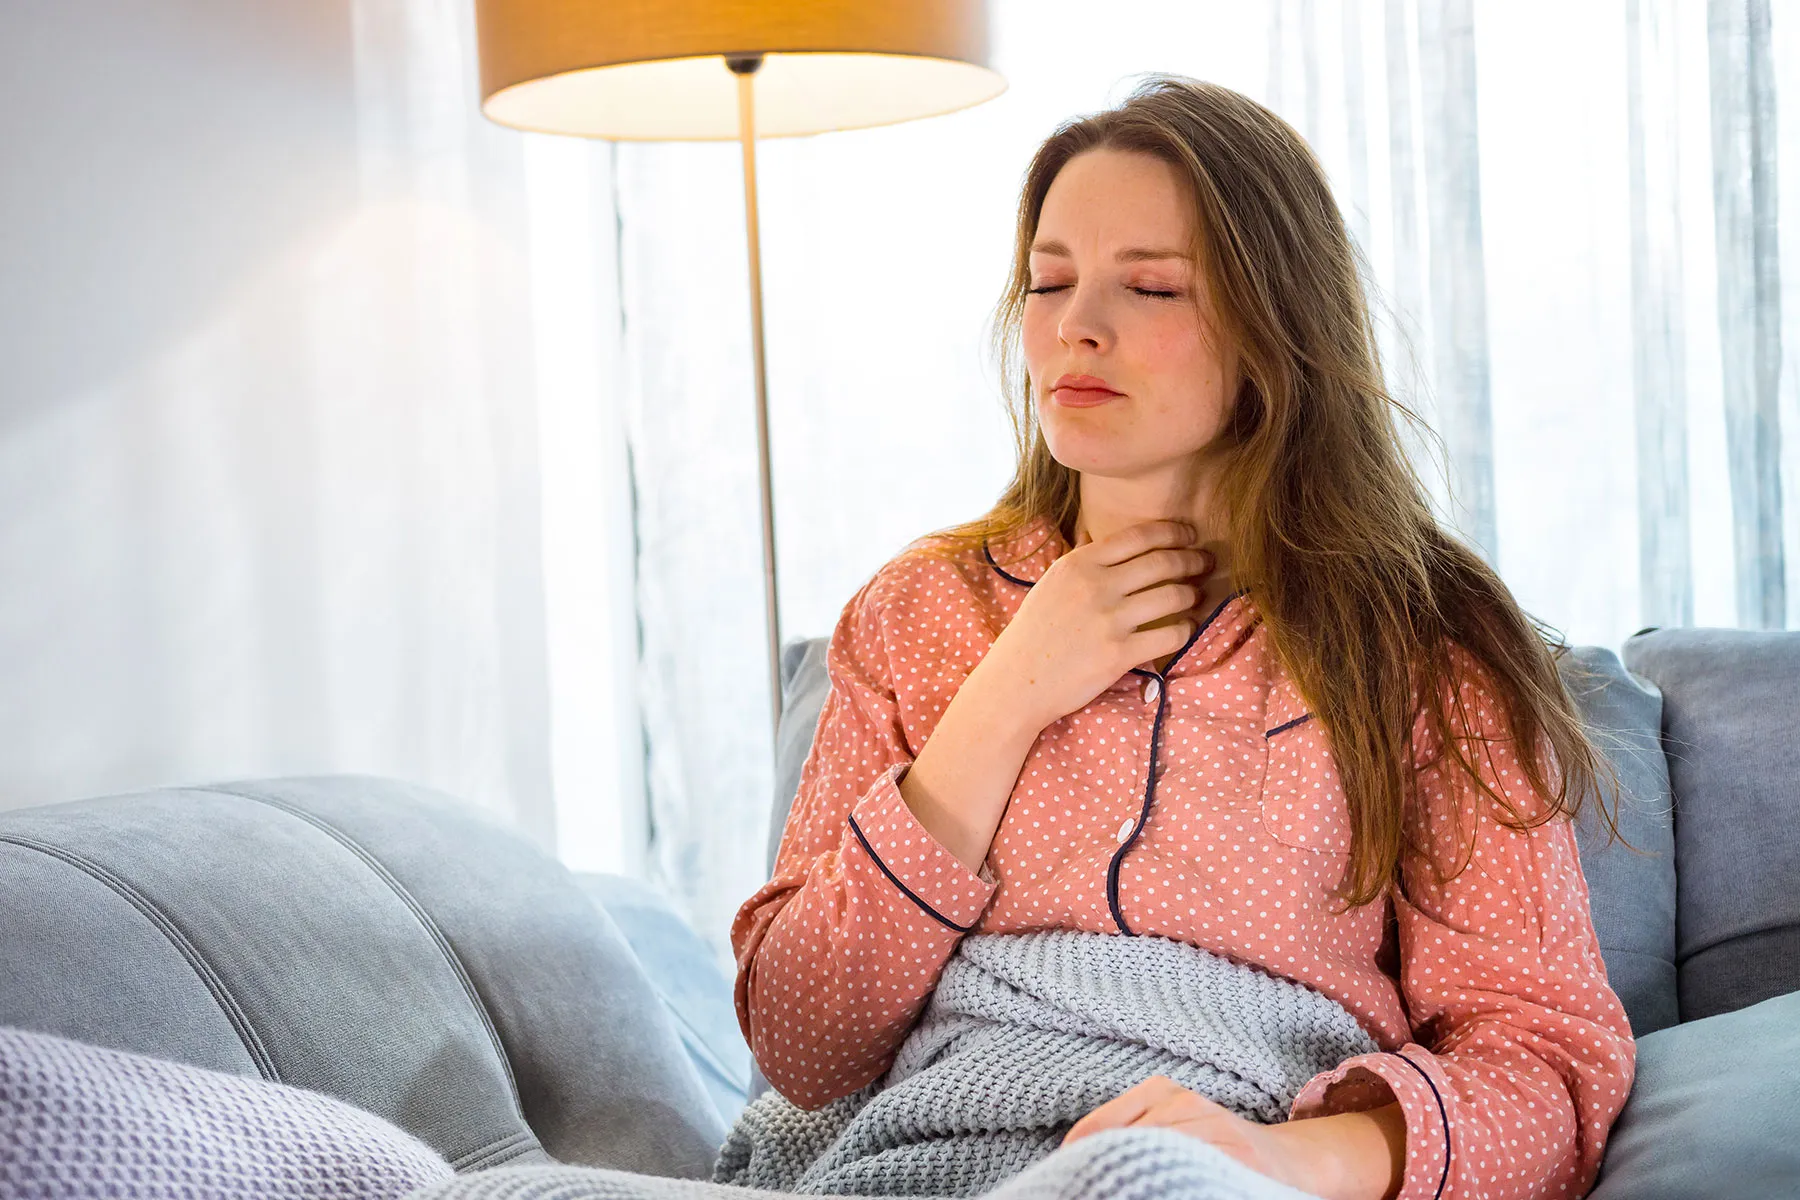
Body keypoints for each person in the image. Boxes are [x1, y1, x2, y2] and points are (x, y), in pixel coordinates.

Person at [728, 76, 1635, 1200]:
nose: (1075, 325)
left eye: (1150, 287)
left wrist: (1282, 1158)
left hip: (1217, 1162)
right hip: (914, 1161)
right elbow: (803, 1045)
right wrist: (1007, 697)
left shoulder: (1425, 648)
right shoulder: (918, 616)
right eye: (1048, 281)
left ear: (1273, 329)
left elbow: (1544, 1071)